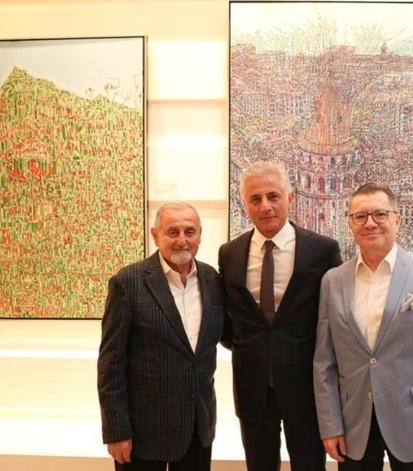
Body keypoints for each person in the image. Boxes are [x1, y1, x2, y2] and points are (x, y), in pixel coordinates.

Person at [313, 183, 413, 471]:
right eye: (360, 216)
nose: (370, 223)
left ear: (397, 220)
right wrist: (329, 425)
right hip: (354, 424)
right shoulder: (332, 281)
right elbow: (325, 363)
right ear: (350, 224)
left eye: (380, 214)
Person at [219, 160, 342, 470]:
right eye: (255, 198)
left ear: (290, 198)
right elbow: (227, 318)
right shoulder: (229, 253)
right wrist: (248, 348)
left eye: (273, 196)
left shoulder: (323, 251)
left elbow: (336, 319)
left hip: (306, 386)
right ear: (245, 204)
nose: (265, 206)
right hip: (252, 385)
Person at [98, 203, 224, 471]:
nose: (182, 239)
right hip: (143, 432)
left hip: (197, 428)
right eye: (172, 232)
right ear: (155, 235)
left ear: (200, 235)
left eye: (190, 231)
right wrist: (116, 431)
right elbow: (111, 364)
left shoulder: (212, 280)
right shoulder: (128, 282)